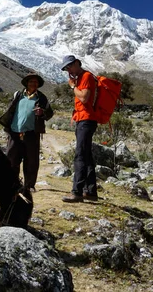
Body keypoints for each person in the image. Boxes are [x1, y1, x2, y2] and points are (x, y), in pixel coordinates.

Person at [0, 73, 53, 191]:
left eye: (36, 82)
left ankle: (29, 185)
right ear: (27, 83)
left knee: (31, 160)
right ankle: (12, 183)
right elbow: (11, 109)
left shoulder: (42, 98)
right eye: (31, 81)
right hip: (14, 131)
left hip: (32, 133)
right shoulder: (18, 95)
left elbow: (49, 113)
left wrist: (42, 113)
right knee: (12, 158)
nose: (33, 84)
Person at [60, 55, 99, 203]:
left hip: (86, 120)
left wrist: (72, 86)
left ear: (77, 63)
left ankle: (77, 192)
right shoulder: (81, 78)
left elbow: (84, 97)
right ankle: (90, 192)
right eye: (66, 68)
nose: (68, 70)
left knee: (80, 155)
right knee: (86, 155)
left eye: (69, 66)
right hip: (82, 119)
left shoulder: (87, 76)